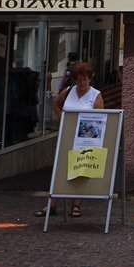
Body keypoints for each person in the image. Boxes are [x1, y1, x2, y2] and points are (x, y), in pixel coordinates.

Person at [37, 61, 104, 219]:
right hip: (65, 136)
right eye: (79, 79)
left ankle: (76, 204)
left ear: (90, 79)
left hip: (84, 140)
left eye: (85, 80)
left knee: (78, 171)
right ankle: (52, 204)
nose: (81, 83)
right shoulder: (68, 91)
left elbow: (100, 119)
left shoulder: (95, 95)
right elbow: (56, 103)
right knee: (59, 169)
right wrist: (61, 116)